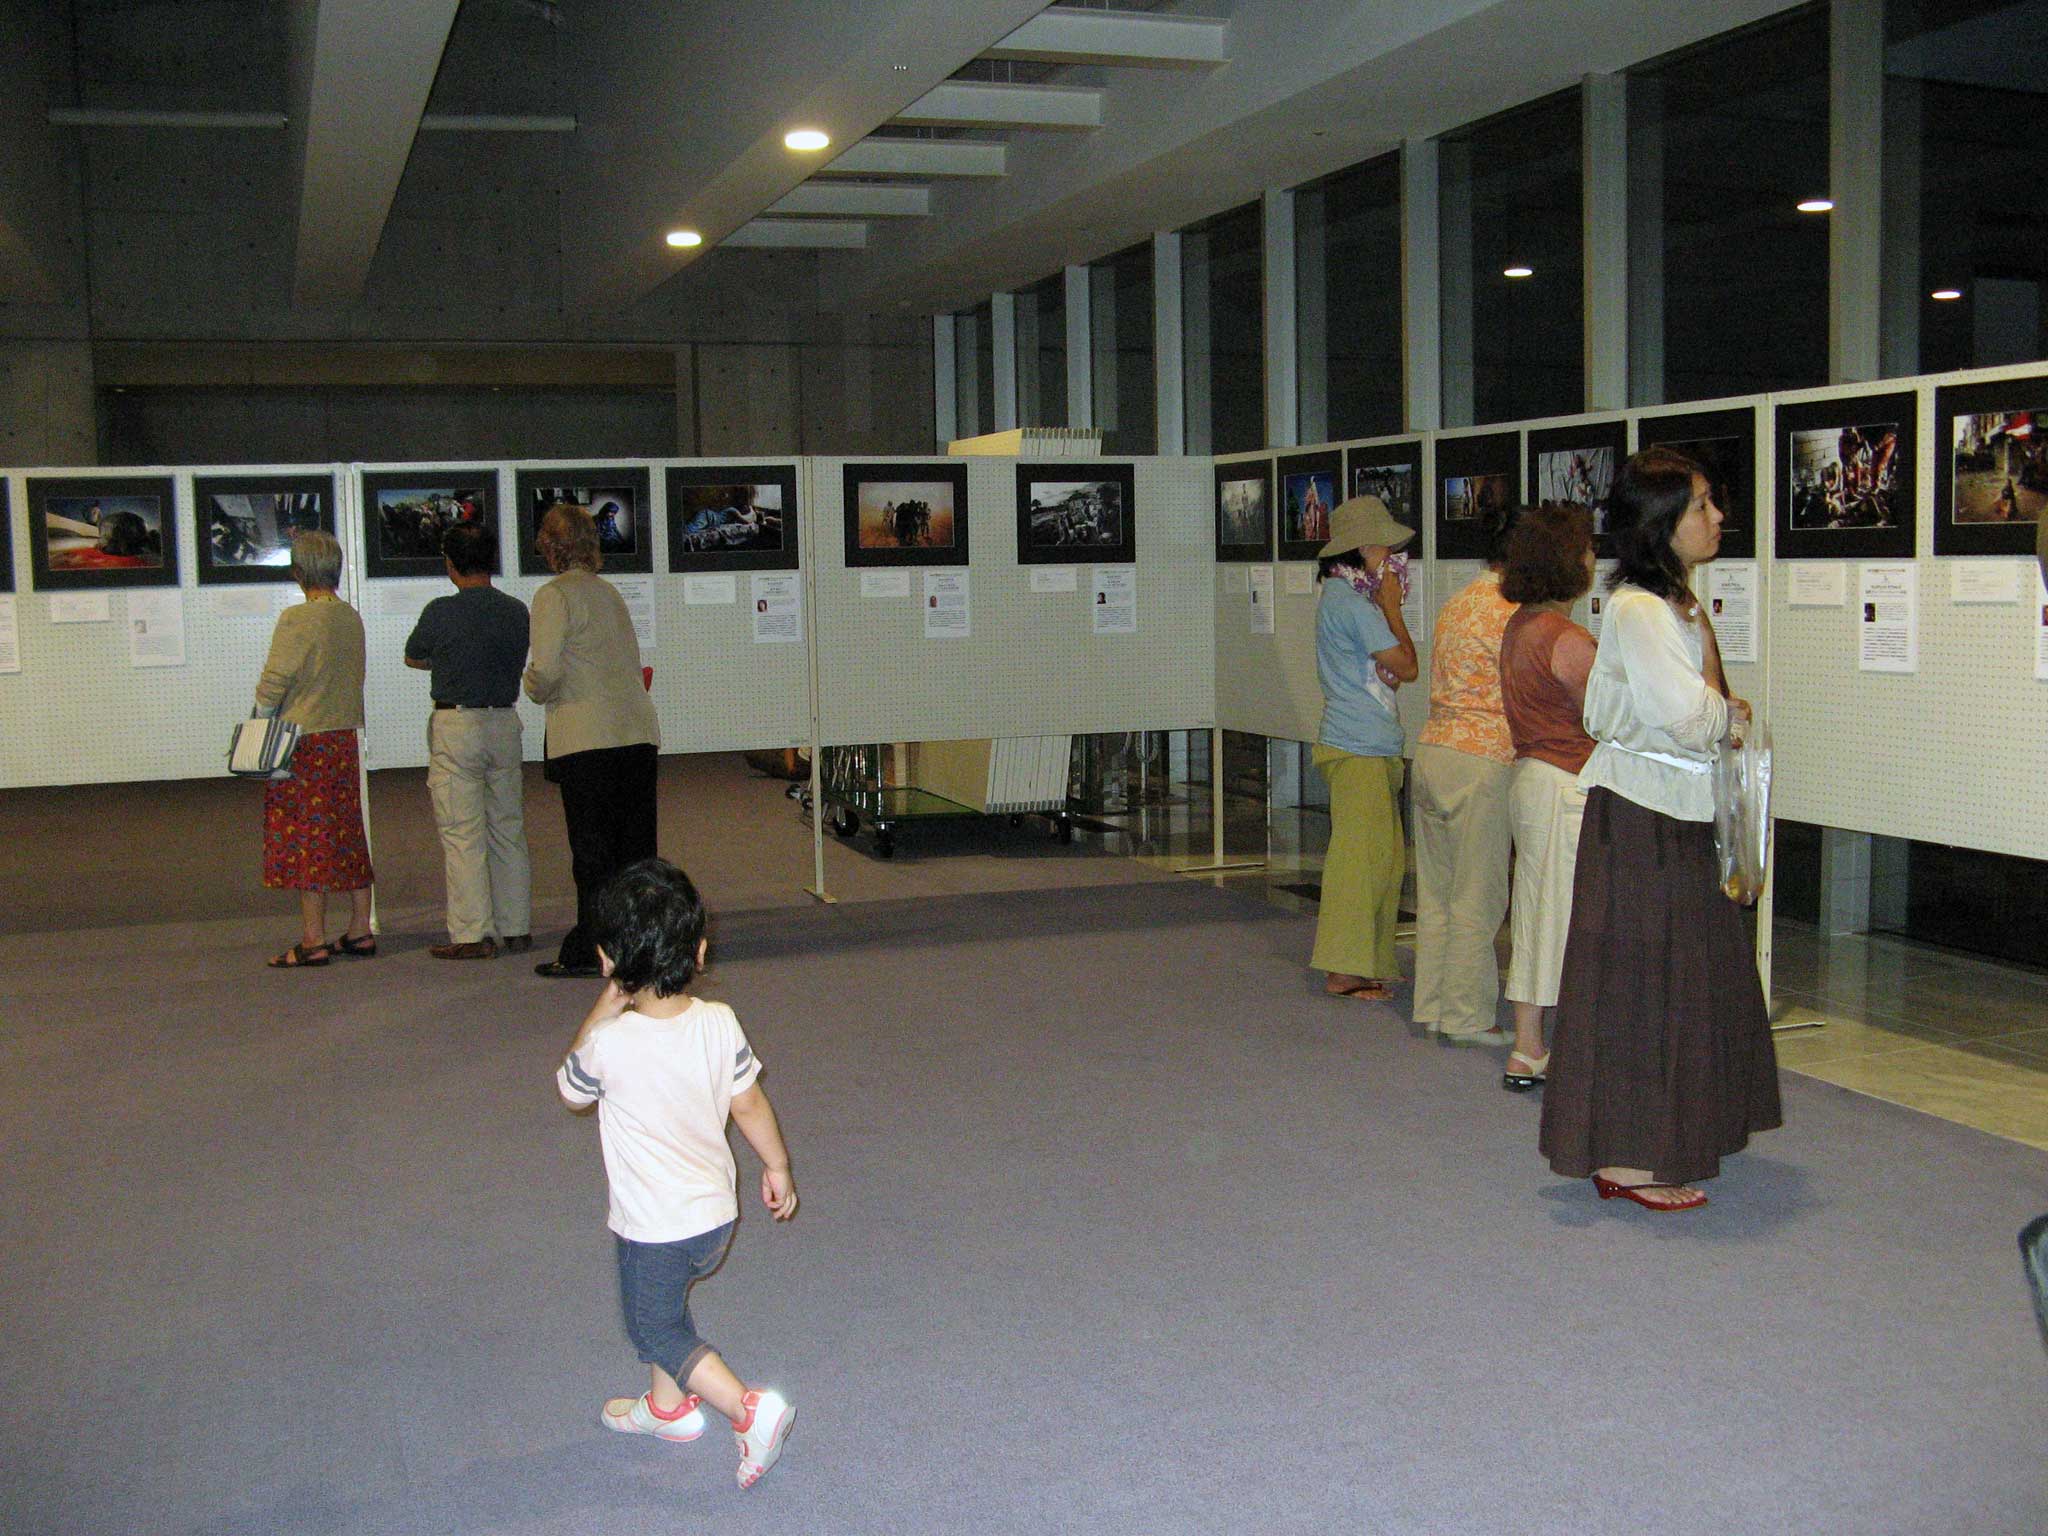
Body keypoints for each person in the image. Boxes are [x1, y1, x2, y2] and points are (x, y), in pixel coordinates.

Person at [1539, 447, 1781, 1212]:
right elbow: (1685, 715)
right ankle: (1630, 1157)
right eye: (1701, 505)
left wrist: (1719, 714)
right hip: (1646, 819)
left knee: (1679, 980)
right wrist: (1726, 716)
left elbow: (1688, 707)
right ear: (1661, 521)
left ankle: (1664, 1135)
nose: (1717, 517)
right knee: (1644, 985)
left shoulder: (1670, 602)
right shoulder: (1643, 608)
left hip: (1672, 814)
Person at [555, 859, 798, 1489]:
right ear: (699, 950)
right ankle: (667, 1410)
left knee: (653, 1325)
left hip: (653, 1229)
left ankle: (747, 1409)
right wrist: (776, 1165)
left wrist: (603, 1006)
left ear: (608, 962)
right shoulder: (720, 1021)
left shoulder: (609, 1045)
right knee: (668, 1308)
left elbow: (570, 1090)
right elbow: (749, 1103)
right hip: (715, 1217)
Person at [525, 504, 662, 979]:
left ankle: (591, 948)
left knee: (593, 853)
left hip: (587, 739)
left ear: (550, 546)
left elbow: (545, 672)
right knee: (635, 852)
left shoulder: (553, 595)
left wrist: (531, 686)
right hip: (636, 733)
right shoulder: (609, 593)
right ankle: (642, 945)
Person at [1496, 504, 1598, 1092]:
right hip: (1565, 786)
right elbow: (1607, 719)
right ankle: (1544, 1045)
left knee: (1536, 912)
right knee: (1560, 918)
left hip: (1533, 778)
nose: (1593, 557)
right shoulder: (1567, 638)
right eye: (1586, 548)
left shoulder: (1521, 625)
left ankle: (1528, 1044)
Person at [1410, 505, 1519, 1045]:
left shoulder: (1458, 602)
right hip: (1483, 759)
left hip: (1433, 749)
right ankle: (1468, 1016)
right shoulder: (1514, 613)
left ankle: (1433, 1005)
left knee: (1436, 894)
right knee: (1477, 894)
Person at [403, 521, 533, 961]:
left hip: (457, 723)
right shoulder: (516, 610)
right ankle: (516, 926)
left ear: (451, 564)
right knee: (508, 828)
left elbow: (414, 656)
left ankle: (472, 932)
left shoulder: (440, 611)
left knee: (462, 832)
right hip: (504, 721)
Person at [1309, 495, 1419, 1003]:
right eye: (1384, 546)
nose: (1391, 556)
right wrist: (1392, 607)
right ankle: (1345, 969)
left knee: (1381, 859)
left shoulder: (1341, 597)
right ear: (1362, 548)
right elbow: (1407, 665)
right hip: (1359, 746)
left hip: (1364, 742)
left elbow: (1386, 670)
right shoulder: (1353, 603)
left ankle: (1367, 962)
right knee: (1361, 862)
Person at [253, 530, 376, 968]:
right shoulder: (350, 617)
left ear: (299, 571)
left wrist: (259, 718)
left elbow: (275, 680)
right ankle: (360, 928)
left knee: (307, 835)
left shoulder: (297, 619)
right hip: (342, 738)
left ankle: (313, 939)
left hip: (304, 741)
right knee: (347, 830)